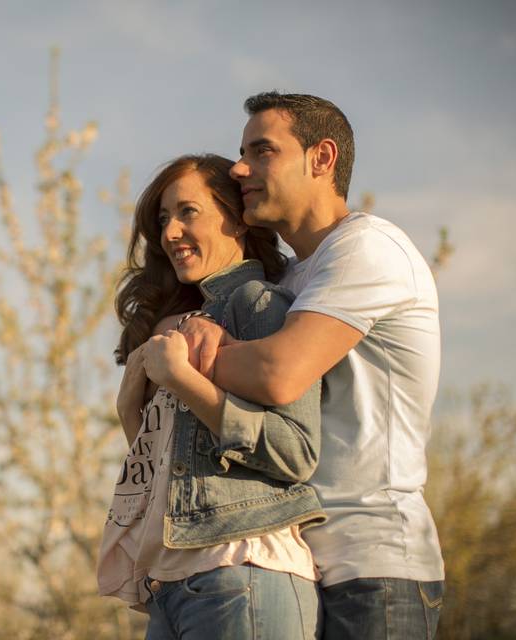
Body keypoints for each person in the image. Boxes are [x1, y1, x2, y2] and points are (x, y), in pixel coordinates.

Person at [179, 93, 445, 638]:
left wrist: (182, 359)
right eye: (241, 152)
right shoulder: (294, 279)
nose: (240, 168)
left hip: (374, 566)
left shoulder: (368, 248)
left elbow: (278, 374)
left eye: (263, 150)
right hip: (298, 564)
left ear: (321, 158)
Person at [97, 154, 326, 639]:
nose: (170, 233)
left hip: (242, 570)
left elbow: (295, 452)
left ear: (236, 219)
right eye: (162, 220)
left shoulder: (257, 304)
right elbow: (174, 470)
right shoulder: (184, 326)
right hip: (173, 584)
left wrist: (183, 379)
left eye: (188, 212)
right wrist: (129, 412)